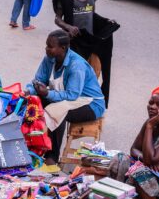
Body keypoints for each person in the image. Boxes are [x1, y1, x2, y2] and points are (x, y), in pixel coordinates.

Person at [27, 29, 105, 165]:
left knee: (58, 112)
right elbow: (39, 79)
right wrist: (29, 91)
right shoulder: (49, 59)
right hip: (67, 98)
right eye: (46, 45)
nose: (46, 49)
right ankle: (34, 145)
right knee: (32, 102)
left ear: (62, 48)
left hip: (90, 103)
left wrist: (47, 93)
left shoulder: (76, 65)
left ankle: (52, 156)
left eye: (50, 46)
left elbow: (72, 95)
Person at [53, 0, 118, 107]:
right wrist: (68, 27)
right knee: (75, 75)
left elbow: (91, 14)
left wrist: (106, 21)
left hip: (90, 41)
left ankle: (90, 103)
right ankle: (71, 100)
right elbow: (57, 19)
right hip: (74, 43)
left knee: (93, 75)